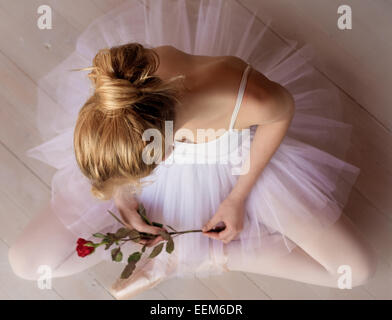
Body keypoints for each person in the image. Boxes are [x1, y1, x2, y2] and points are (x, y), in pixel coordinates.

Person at [9, 0, 376, 299]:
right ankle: (159, 250)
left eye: (143, 173)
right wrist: (122, 197)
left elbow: (283, 114)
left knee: (354, 270)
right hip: (142, 137)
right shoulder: (120, 93)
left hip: (234, 162)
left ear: (163, 145)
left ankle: (203, 257)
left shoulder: (246, 98)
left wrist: (237, 197)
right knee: (26, 263)